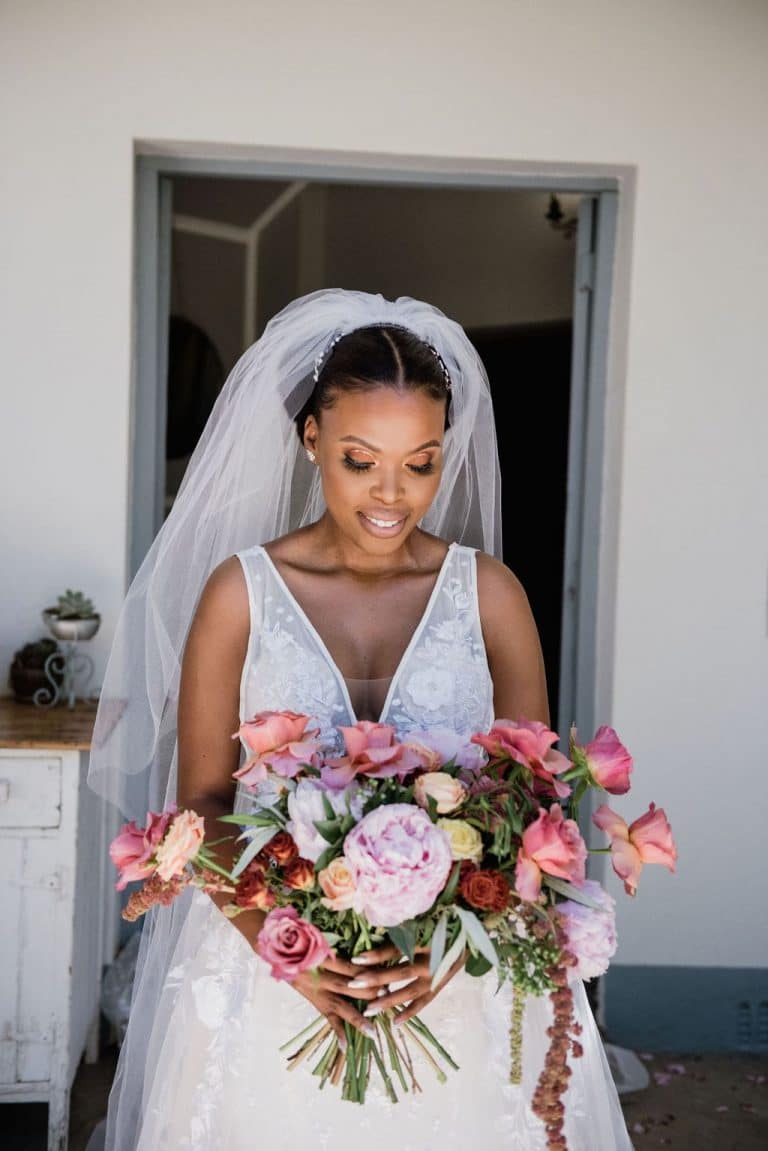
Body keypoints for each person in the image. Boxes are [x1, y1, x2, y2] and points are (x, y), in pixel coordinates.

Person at [89, 289, 633, 1149]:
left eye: (420, 462)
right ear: (311, 441)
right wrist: (294, 949)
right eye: (359, 458)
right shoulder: (240, 594)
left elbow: (533, 812)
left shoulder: (490, 596)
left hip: (456, 976)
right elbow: (201, 805)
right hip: (274, 969)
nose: (393, 493)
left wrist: (455, 948)